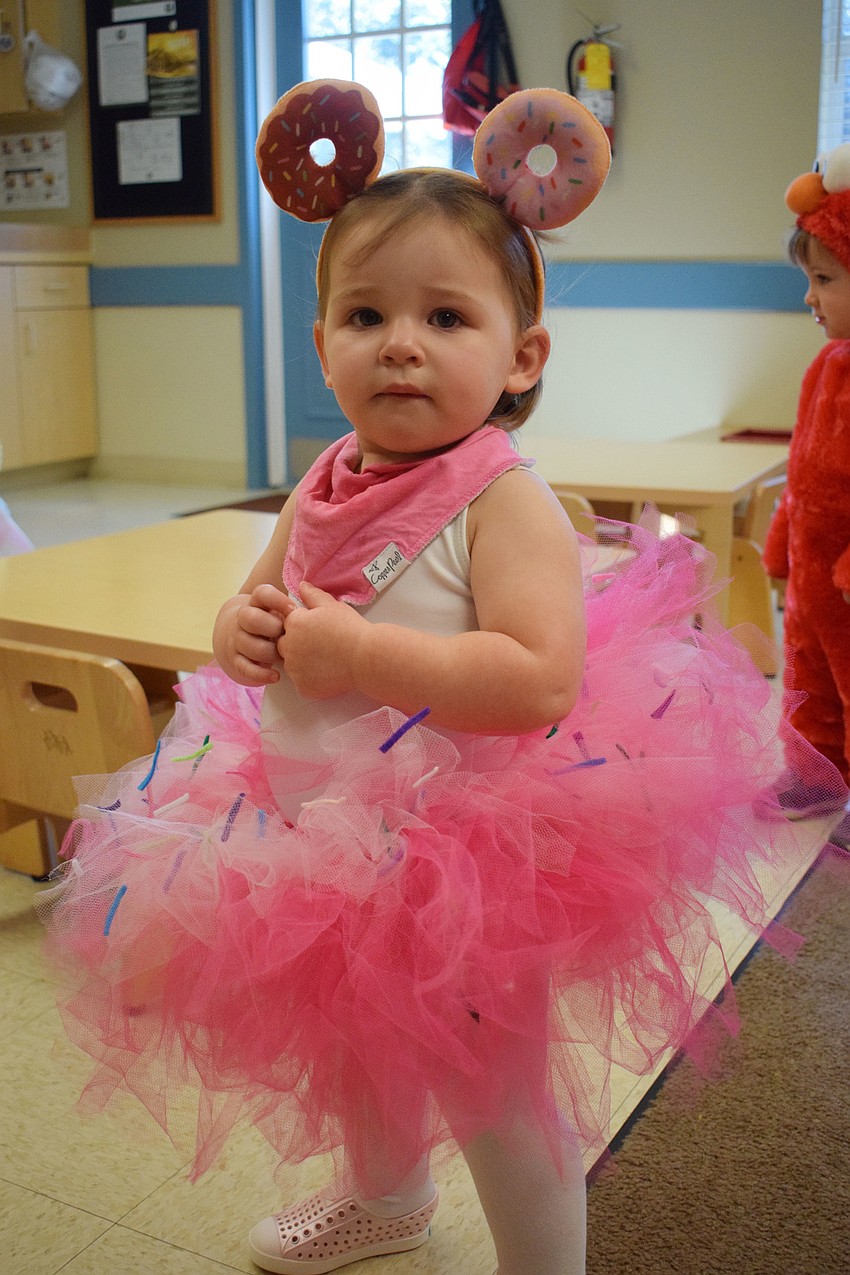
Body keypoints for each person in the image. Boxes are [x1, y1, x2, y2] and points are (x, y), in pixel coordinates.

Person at [38, 84, 844, 1275]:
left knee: (495, 1093)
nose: (400, 342)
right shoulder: (323, 475)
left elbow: (534, 679)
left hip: (459, 852)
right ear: (321, 346)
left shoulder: (495, 495)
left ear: (521, 356)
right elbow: (262, 599)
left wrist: (363, 655)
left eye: (446, 317)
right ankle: (386, 1199)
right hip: (308, 840)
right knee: (357, 1047)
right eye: (364, 314)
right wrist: (239, 630)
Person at [765, 146, 850, 841]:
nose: (809, 297)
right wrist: (779, 540)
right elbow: (804, 469)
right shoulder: (825, 365)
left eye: (824, 279)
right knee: (810, 679)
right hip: (811, 580)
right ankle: (815, 774)